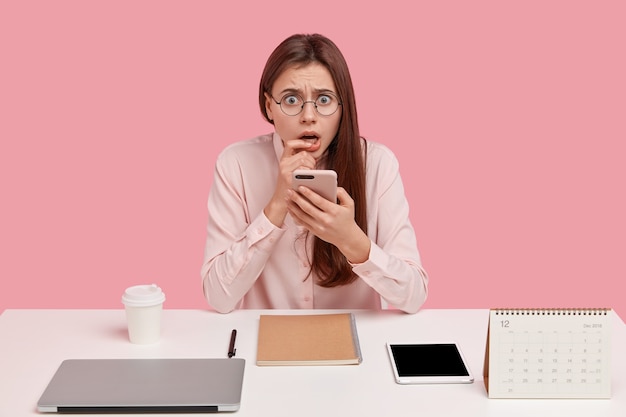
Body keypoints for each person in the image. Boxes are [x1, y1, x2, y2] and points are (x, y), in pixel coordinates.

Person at [201, 33, 428, 314]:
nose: (309, 116)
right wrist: (275, 207)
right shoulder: (235, 164)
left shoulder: (377, 164)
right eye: (292, 99)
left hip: (356, 343)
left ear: (342, 107)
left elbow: (414, 295)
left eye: (323, 99)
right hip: (267, 341)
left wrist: (350, 238)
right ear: (270, 106)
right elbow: (218, 297)